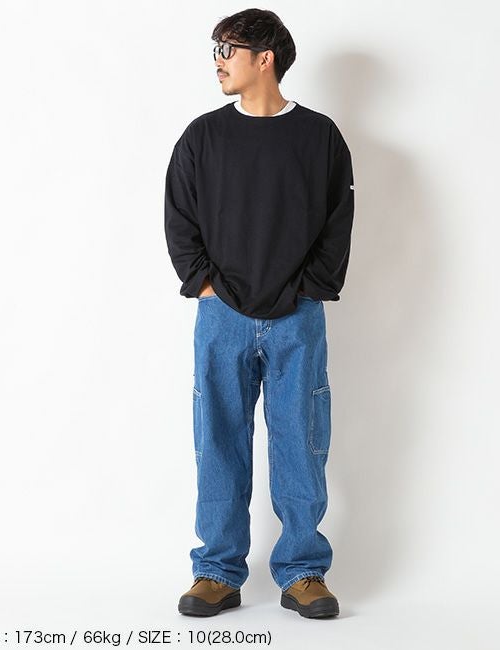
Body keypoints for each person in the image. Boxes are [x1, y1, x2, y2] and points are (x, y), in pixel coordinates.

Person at [164, 8, 354, 619]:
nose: (218, 61)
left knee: (302, 439)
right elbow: (179, 217)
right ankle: (217, 571)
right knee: (218, 440)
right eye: (215, 49)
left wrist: (310, 289)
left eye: (227, 49)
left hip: (297, 315)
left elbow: (338, 221)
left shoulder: (319, 136)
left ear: (264, 57)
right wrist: (204, 286)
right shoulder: (203, 137)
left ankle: (302, 572)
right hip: (222, 316)